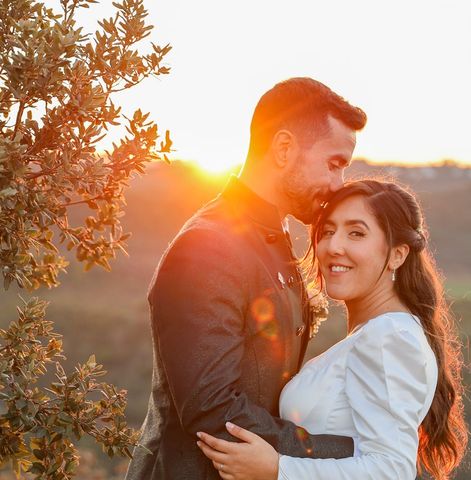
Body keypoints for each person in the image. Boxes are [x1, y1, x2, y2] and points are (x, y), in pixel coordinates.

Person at [125, 77, 367, 479]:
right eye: (334, 164)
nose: (337, 184)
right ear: (284, 148)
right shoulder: (207, 247)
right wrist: (346, 450)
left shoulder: (272, 238)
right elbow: (212, 410)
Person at [196, 180, 469, 480]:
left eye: (356, 233)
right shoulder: (378, 333)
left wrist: (277, 470)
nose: (334, 246)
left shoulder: (389, 337)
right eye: (328, 231)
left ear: (397, 255)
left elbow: (391, 469)